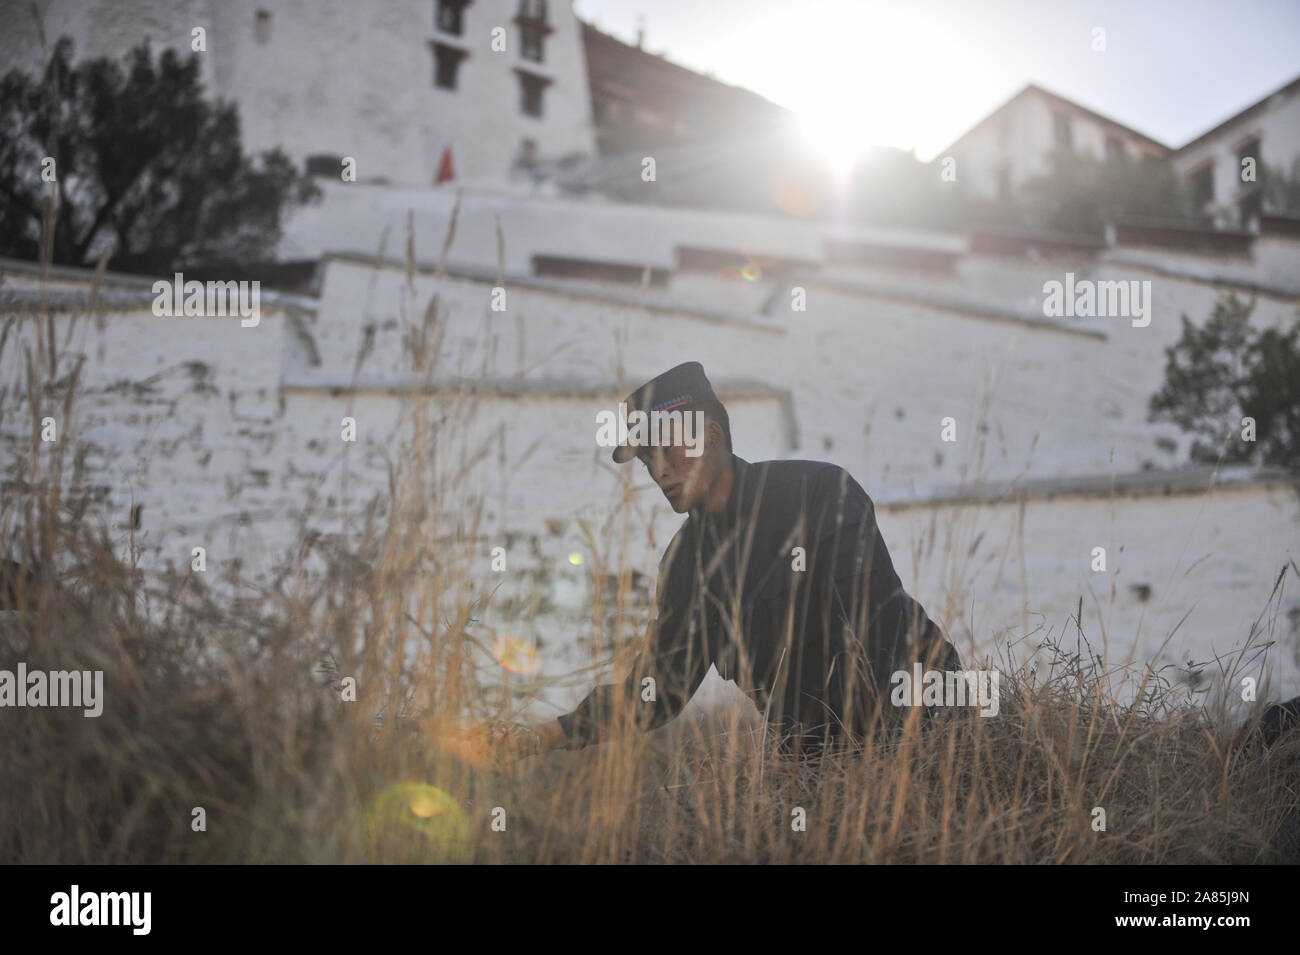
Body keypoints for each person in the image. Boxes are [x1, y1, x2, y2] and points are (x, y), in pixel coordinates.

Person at [461, 361, 963, 768]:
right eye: (645, 459)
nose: (658, 470)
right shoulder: (684, 566)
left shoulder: (821, 494)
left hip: (930, 727)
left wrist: (879, 776)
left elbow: (878, 637)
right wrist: (540, 736)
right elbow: (657, 690)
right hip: (816, 760)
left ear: (714, 435)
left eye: (667, 448)